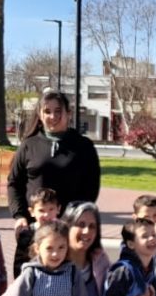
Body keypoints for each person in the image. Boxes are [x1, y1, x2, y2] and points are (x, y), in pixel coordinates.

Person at [7, 89, 100, 250]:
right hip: (35, 227)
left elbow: (91, 187)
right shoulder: (29, 145)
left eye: (58, 111)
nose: (53, 116)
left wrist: (76, 217)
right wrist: (20, 216)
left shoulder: (83, 146)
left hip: (70, 229)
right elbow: (14, 183)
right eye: (47, 111)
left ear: (68, 113)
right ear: (40, 114)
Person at [12, 187, 60, 279]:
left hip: (57, 280)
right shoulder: (27, 234)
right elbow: (19, 263)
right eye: (41, 210)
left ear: (58, 209)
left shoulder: (62, 232)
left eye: (51, 209)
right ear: (32, 211)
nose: (46, 214)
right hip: (33, 281)